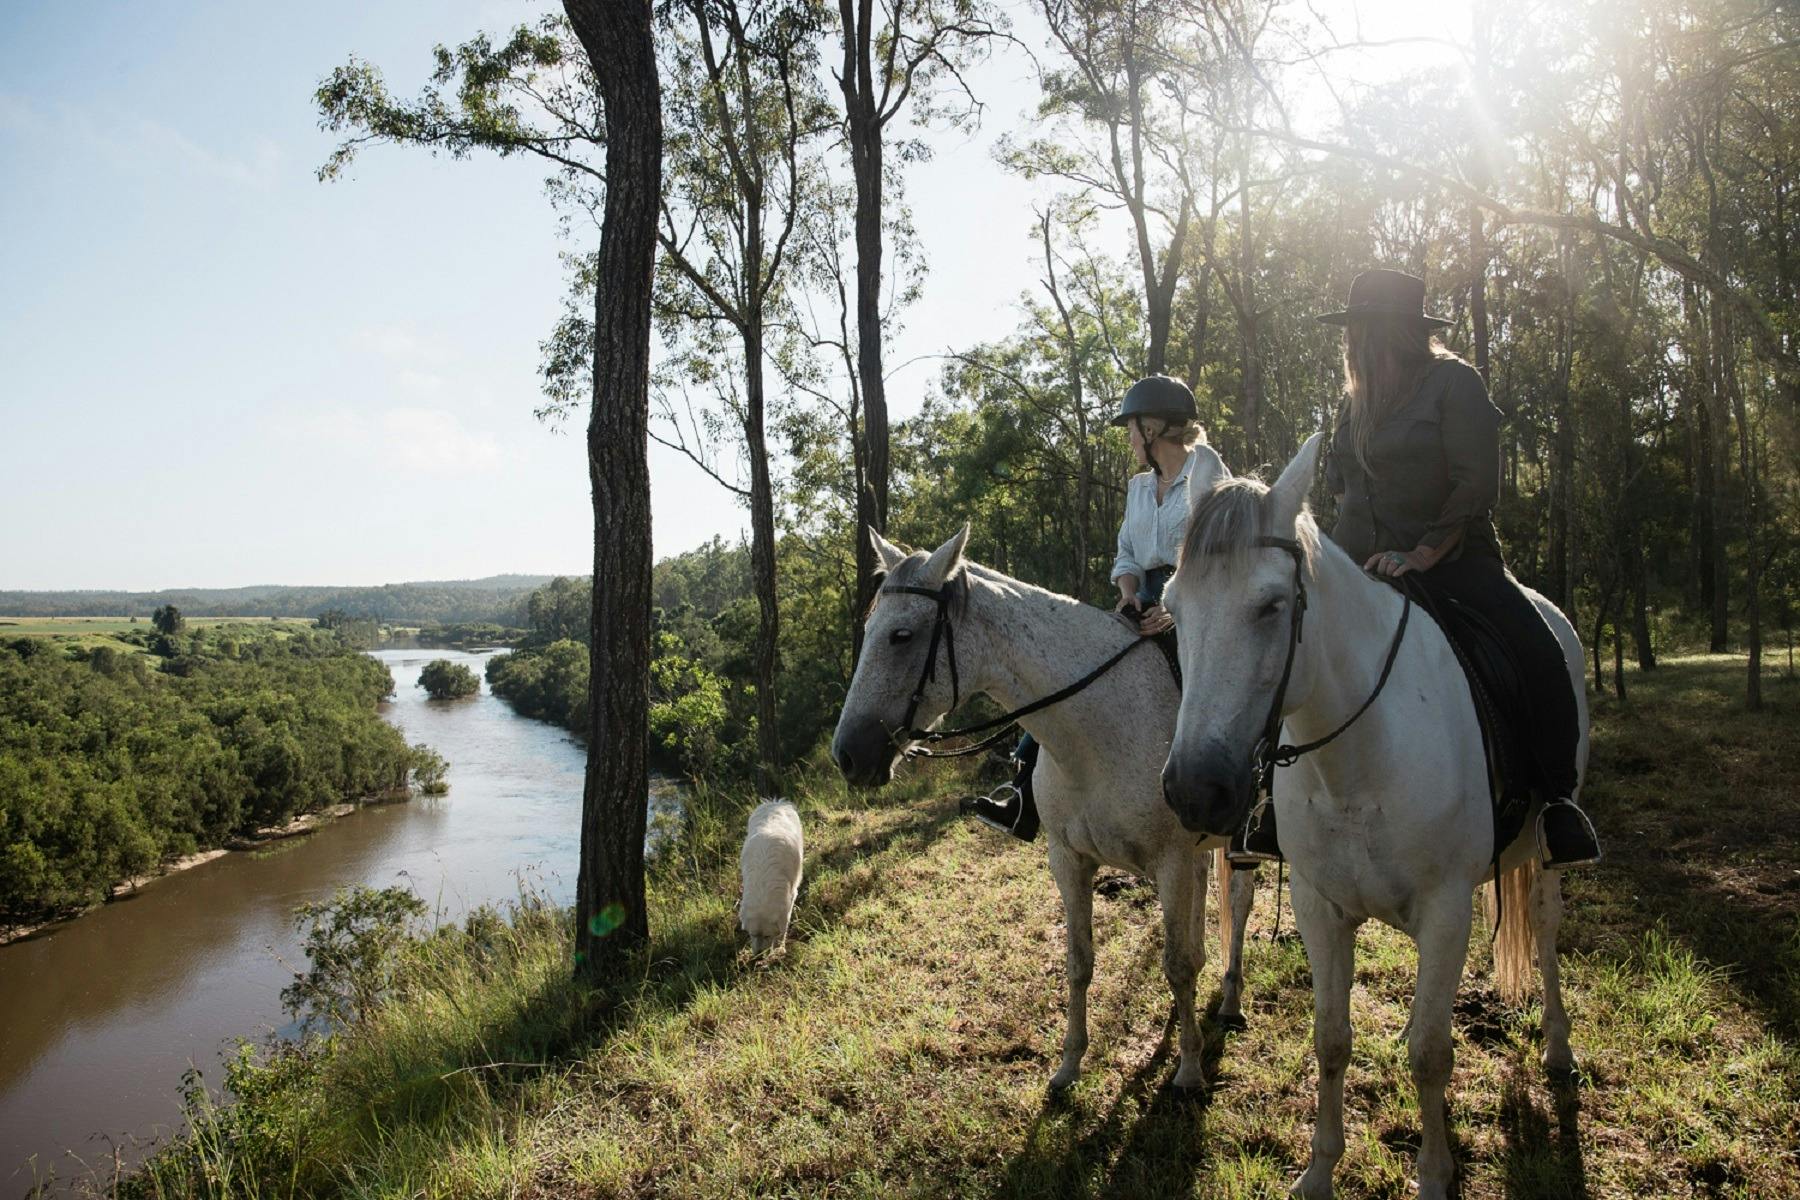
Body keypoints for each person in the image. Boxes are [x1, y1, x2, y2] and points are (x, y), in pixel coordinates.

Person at [1318, 269, 1602, 869]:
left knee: (1538, 649)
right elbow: (1344, 492)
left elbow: (1476, 484)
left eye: (1361, 329)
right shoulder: (1351, 403)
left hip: (1453, 561)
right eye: (1351, 330)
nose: (1352, 342)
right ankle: (1268, 802)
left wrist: (1421, 553)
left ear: (1391, 331)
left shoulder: (1454, 383)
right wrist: (1332, 564)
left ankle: (1557, 801)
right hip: (1361, 565)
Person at [962, 375, 1205, 839]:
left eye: (1132, 428)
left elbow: (1219, 555)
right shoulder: (1139, 488)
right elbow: (1127, 554)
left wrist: (1177, 606)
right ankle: (1022, 793)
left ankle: (1254, 798)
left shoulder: (1208, 474)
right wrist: (1129, 592)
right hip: (1141, 603)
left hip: (1197, 603)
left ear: (1152, 428)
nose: (1129, 438)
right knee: (1069, 670)